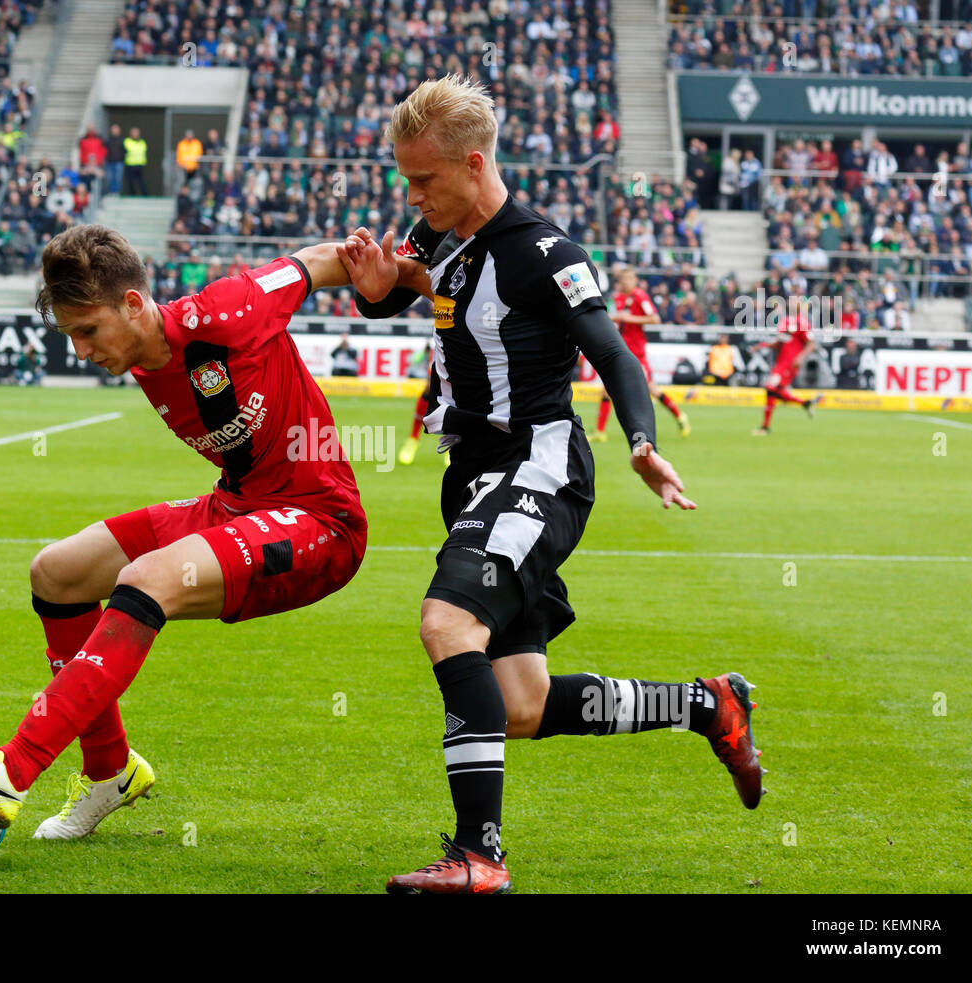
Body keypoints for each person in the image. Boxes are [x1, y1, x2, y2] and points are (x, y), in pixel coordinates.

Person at [339, 76, 765, 895]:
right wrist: (373, 290)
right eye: (404, 178)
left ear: (473, 164)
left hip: (535, 468)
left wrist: (642, 442)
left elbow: (615, 355)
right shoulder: (434, 236)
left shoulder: (546, 252)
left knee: (445, 620)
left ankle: (479, 854)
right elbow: (405, 304)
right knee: (522, 705)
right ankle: (710, 704)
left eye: (424, 179)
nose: (410, 194)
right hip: (472, 478)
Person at [0, 223, 394, 840]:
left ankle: (10, 770)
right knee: (56, 573)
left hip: (319, 522)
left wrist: (394, 281)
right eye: (70, 335)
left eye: (88, 331)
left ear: (133, 304)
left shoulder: (232, 308)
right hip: (237, 506)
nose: (82, 350)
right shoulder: (139, 351)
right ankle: (110, 772)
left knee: (147, 579)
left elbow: (325, 258)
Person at [591, 267, 690, 442]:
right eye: (623, 279)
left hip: (637, 352)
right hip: (621, 350)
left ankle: (679, 415)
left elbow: (654, 318)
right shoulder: (618, 298)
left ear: (635, 280)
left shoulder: (640, 296)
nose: (626, 282)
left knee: (652, 389)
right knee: (606, 390)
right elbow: (618, 319)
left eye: (629, 278)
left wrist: (627, 318)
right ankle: (600, 431)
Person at [751, 304, 823, 435]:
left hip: (790, 364)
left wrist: (800, 357)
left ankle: (804, 404)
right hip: (781, 363)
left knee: (770, 388)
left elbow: (811, 344)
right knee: (771, 392)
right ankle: (766, 427)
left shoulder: (802, 322)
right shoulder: (784, 322)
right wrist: (761, 346)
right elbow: (778, 343)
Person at [123, 127, 148, 196]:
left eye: (136, 132)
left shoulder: (142, 142)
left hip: (139, 164)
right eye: (134, 132)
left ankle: (145, 194)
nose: (135, 134)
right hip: (130, 164)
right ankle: (132, 194)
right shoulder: (127, 141)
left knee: (141, 181)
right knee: (130, 181)